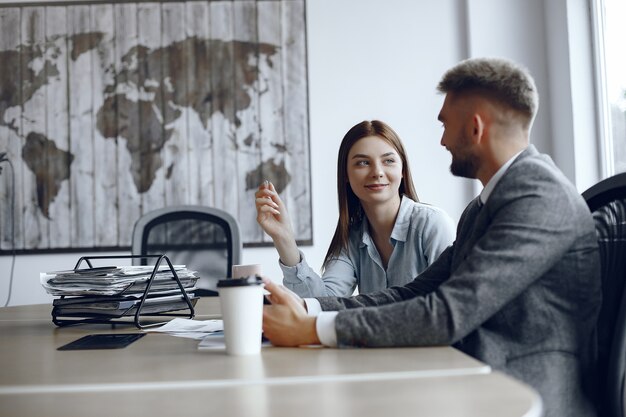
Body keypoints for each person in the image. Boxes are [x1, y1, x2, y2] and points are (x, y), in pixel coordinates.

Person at [262, 57, 601, 417]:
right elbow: (414, 292)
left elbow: (448, 313)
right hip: (473, 377)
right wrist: (309, 308)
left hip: (521, 393)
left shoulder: (539, 197)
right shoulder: (483, 207)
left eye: (445, 124)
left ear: (475, 128)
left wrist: (314, 329)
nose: (441, 140)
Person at [255, 120, 455, 297]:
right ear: (346, 175)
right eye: (362, 163)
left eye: (388, 161)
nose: (377, 172)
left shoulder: (432, 225)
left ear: (402, 170)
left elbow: (450, 305)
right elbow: (323, 303)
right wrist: (284, 239)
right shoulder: (352, 239)